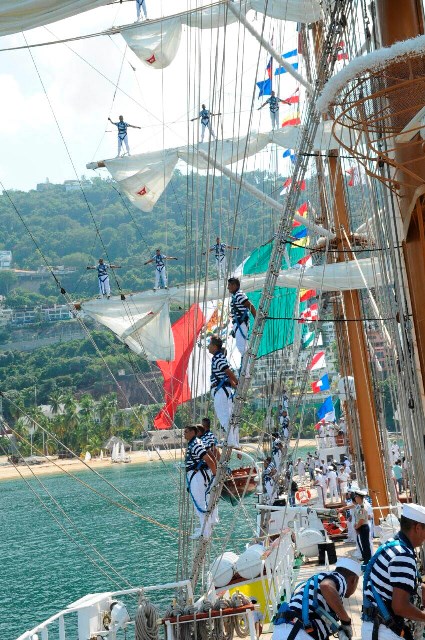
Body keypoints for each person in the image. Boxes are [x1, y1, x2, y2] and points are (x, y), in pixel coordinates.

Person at [361, 503, 425, 640]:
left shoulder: (392, 544)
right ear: (418, 528)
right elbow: (400, 607)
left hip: (376, 627)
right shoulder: (403, 555)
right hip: (385, 632)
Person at [273, 557, 362, 640]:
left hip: (284, 630)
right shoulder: (340, 579)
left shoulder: (318, 578)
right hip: (298, 633)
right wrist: (346, 621)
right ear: (353, 580)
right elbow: (326, 586)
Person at [184, 425, 217, 539]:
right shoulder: (195, 443)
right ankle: (204, 528)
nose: (184, 434)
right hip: (195, 476)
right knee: (200, 502)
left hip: (197, 476)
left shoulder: (196, 444)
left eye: (186, 432)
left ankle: (205, 532)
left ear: (193, 432)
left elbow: (209, 460)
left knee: (200, 503)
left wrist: (215, 475)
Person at [208, 335, 239, 447]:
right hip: (224, 390)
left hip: (221, 391)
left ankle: (231, 441)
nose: (208, 347)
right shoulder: (219, 357)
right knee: (228, 417)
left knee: (223, 416)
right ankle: (233, 441)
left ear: (214, 346)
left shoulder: (218, 357)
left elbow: (227, 371)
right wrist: (235, 386)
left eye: (210, 344)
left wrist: (238, 383)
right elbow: (227, 375)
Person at [198, 418, 220, 526]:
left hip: (209, 468)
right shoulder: (206, 436)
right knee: (208, 493)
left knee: (208, 493)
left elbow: (214, 450)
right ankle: (211, 517)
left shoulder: (207, 437)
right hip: (209, 468)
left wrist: (216, 467)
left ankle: (211, 518)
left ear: (204, 426)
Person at [227, 277, 256, 357]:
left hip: (241, 324)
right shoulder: (236, 295)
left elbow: (250, 306)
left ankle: (247, 363)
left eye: (229, 285)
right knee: (241, 346)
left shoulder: (239, 295)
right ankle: (246, 363)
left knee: (241, 347)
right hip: (238, 324)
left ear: (234, 285)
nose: (228, 287)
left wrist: (256, 318)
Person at [346, 489, 372, 564]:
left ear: (359, 497)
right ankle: (365, 558)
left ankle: (367, 560)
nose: (355, 498)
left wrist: (356, 527)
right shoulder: (358, 506)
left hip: (363, 527)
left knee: (365, 545)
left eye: (356, 497)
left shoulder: (362, 507)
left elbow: (361, 520)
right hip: (360, 527)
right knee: (362, 544)